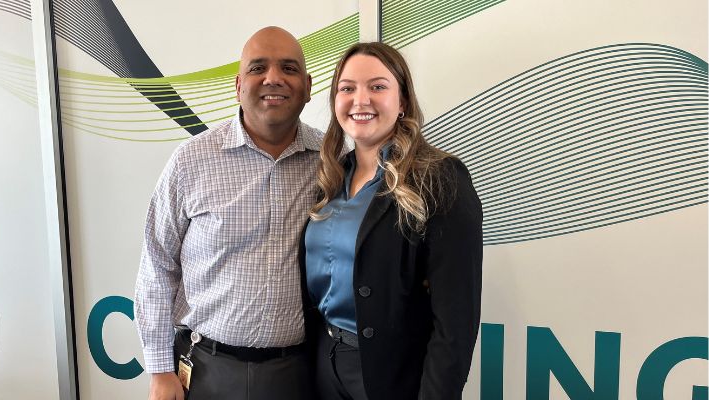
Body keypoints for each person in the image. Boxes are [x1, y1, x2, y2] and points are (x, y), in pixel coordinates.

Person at [134, 26, 322, 400]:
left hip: (299, 375)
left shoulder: (332, 160)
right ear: (238, 85)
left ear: (307, 85)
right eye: (258, 68)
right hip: (205, 371)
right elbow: (156, 266)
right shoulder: (191, 161)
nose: (273, 78)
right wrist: (159, 371)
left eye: (288, 67)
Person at [299, 42, 483, 400]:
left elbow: (455, 323)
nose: (360, 99)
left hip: (391, 374)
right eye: (347, 88)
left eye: (378, 87)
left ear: (402, 103)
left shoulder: (440, 177)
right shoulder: (330, 177)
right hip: (323, 363)